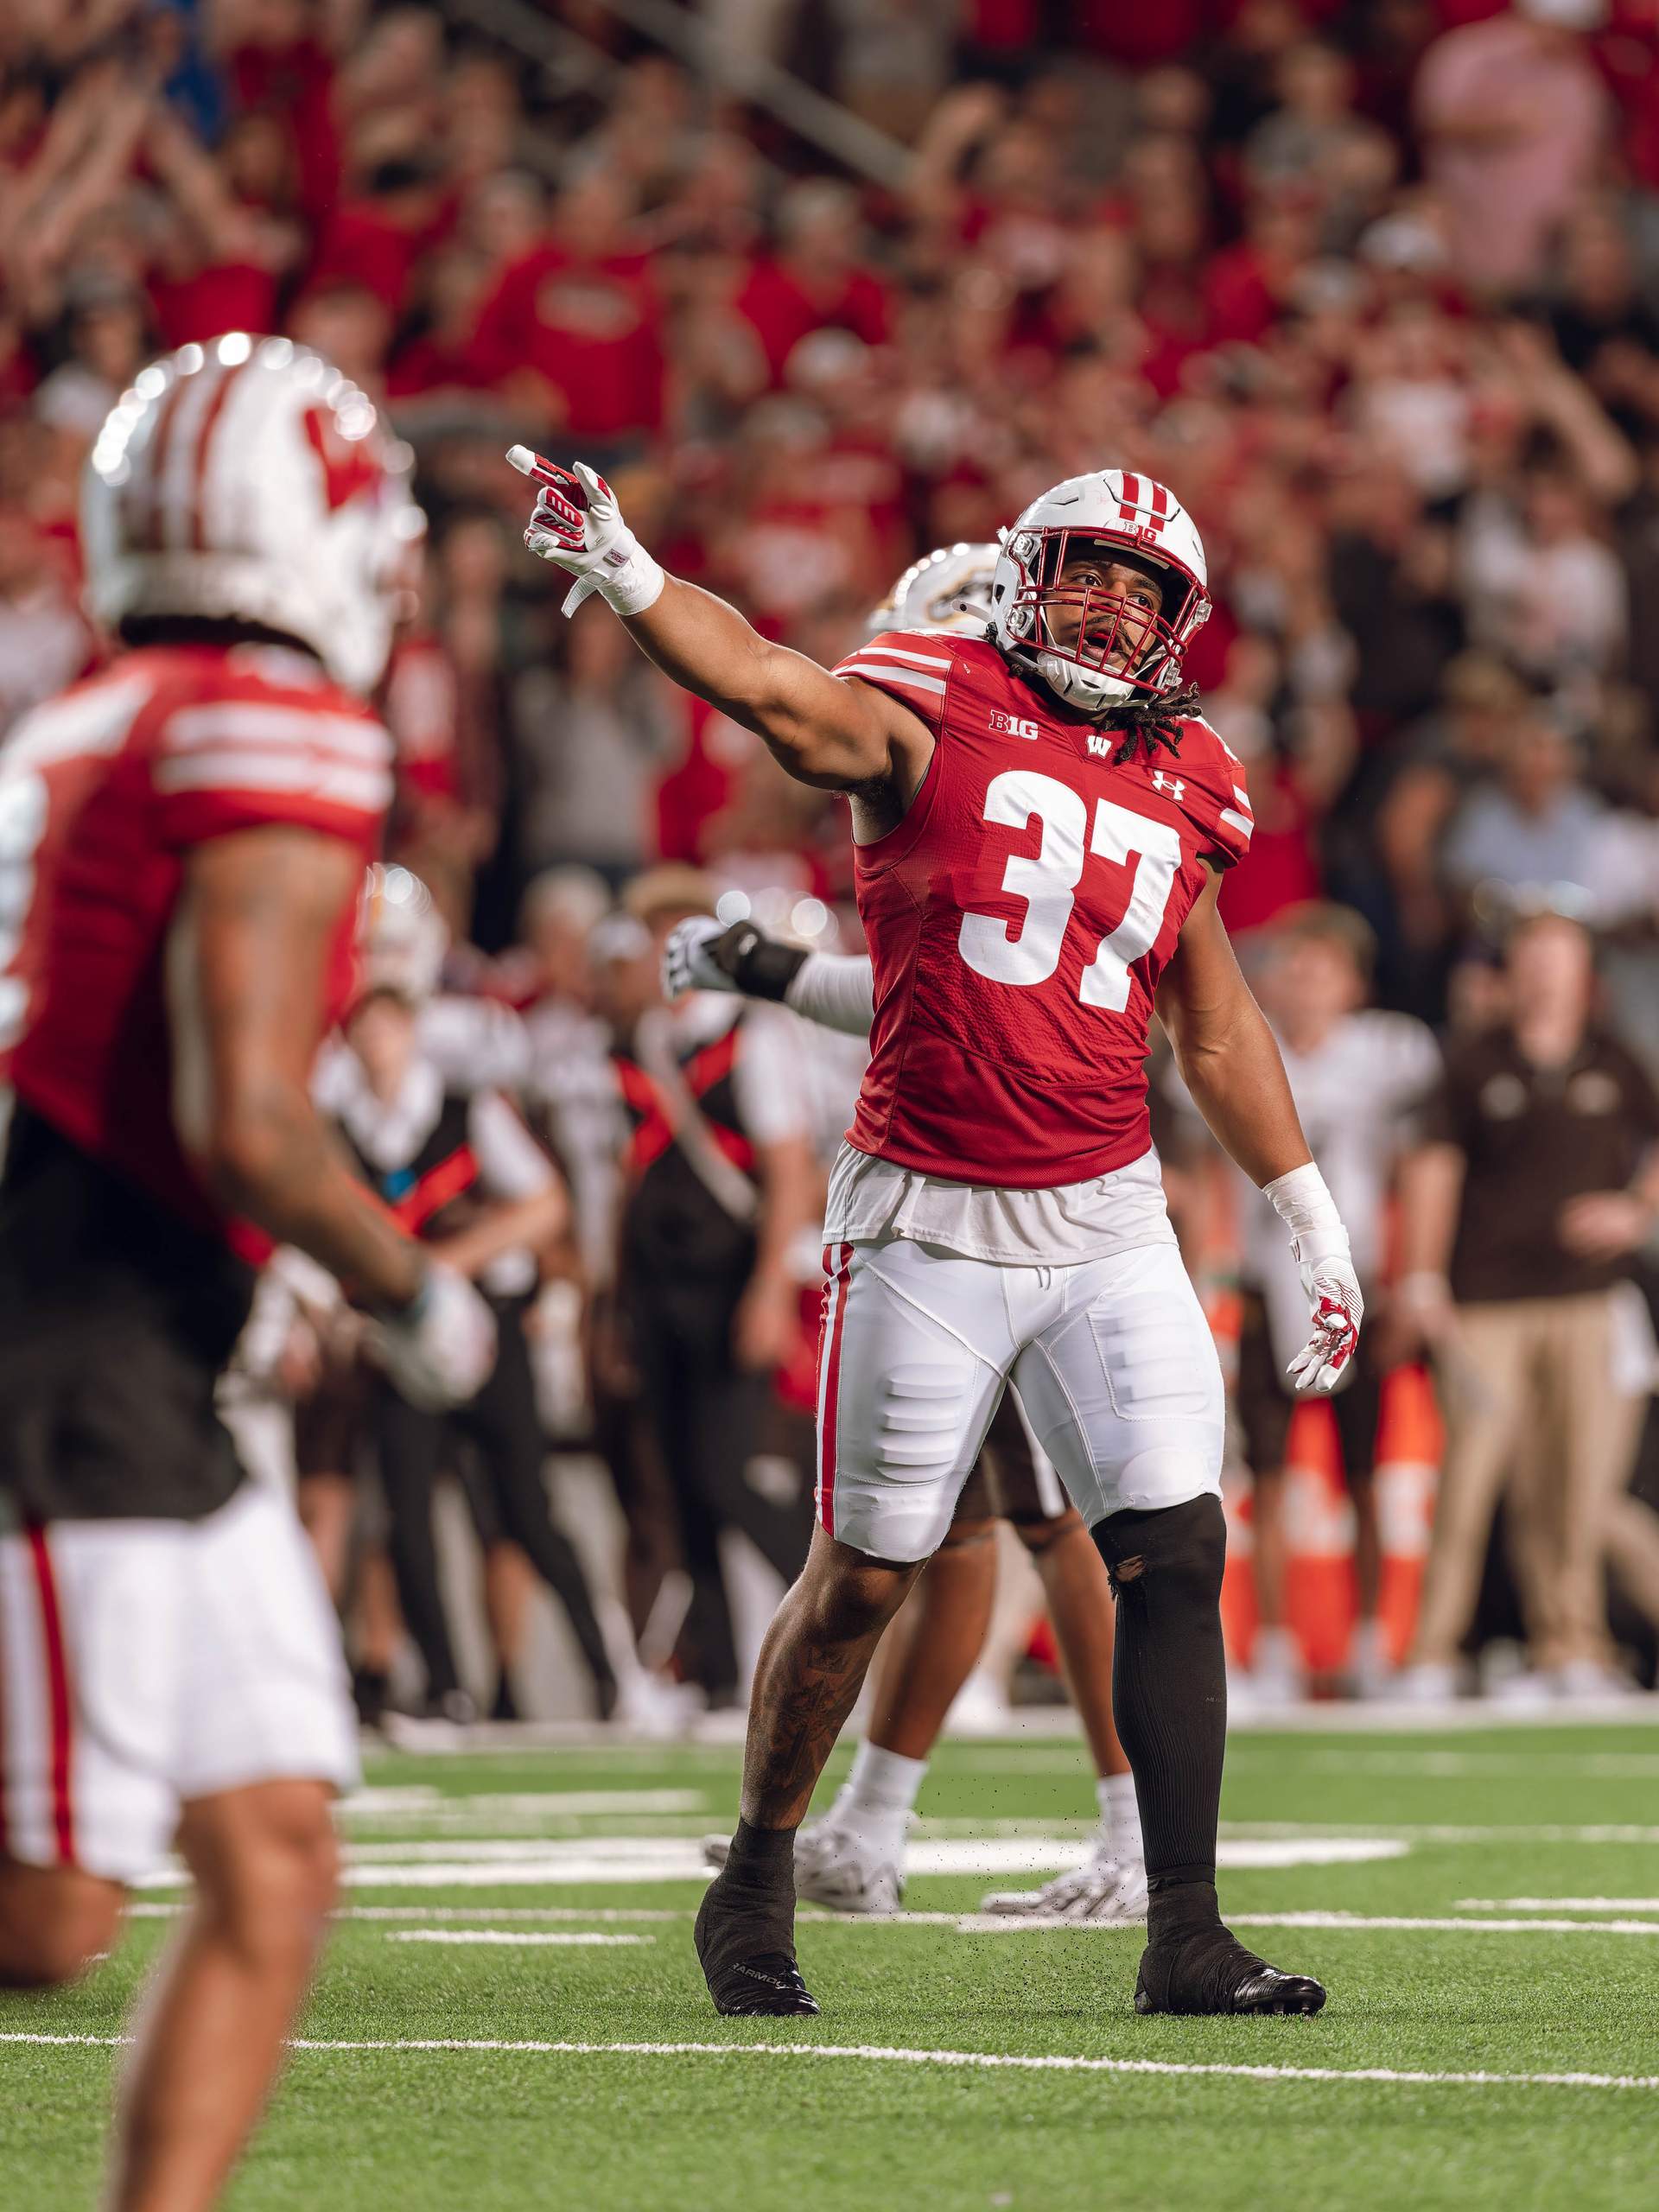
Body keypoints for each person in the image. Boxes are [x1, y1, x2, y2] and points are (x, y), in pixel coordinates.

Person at [517, 448, 1361, 2021]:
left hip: (1109, 1214)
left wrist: (1305, 1207)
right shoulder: (932, 689)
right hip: (929, 1211)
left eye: (1142, 587)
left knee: (1174, 1546)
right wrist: (634, 576)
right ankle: (762, 1869)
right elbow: (774, 689)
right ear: (1027, 573)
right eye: (1088, 572)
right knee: (866, 1575)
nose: (1111, 607)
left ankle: (1184, 1923)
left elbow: (1219, 1020)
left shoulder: (1190, 772)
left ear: (1178, 619)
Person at [0, 338, 496, 2212]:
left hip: (123, 1321)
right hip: (77, 1321)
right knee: (49, 1912)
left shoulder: (89, 705)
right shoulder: (268, 713)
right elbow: (251, 1126)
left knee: (276, 1845)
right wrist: (417, 1290)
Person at [670, 545, 1146, 1922]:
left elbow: (962, 994)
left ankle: (1133, 1840)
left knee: (1069, 1528)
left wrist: (764, 970)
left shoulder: (1035, 770)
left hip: (1041, 1196)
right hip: (973, 1187)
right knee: (968, 1532)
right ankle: (872, 1829)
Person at [317, 876, 619, 1723]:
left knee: (525, 1507)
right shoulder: (340, 1124)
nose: (376, 1037)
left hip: (488, 1328)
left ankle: (608, 1668)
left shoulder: (465, 1100)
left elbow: (545, 1204)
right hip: (401, 1342)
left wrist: (441, 1265)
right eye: (362, 1021)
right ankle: (447, 1683)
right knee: (405, 1510)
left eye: (388, 1017)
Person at [1393, 910, 1659, 1699]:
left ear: (1586, 976)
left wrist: (1637, 1211)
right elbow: (1432, 1170)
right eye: (1532, 957)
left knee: (1576, 1482)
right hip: (1487, 1302)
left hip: (1588, 1301)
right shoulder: (1473, 1063)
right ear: (1511, 974)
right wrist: (1423, 1276)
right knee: (1470, 1480)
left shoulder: (1618, 1059)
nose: (1546, 973)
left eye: (1560, 958)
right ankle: (1432, 1653)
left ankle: (1571, 1646)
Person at [1226, 903, 1441, 1701]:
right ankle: (1277, 1647)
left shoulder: (1390, 1051)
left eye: (1324, 968)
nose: (1308, 984)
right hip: (1263, 1277)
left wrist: (1412, 1274)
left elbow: (1424, 1158)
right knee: (1273, 1477)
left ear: (1353, 982)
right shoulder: (1246, 1046)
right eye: (1296, 967)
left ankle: (1369, 1645)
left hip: (1364, 1281)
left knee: (1364, 1473)